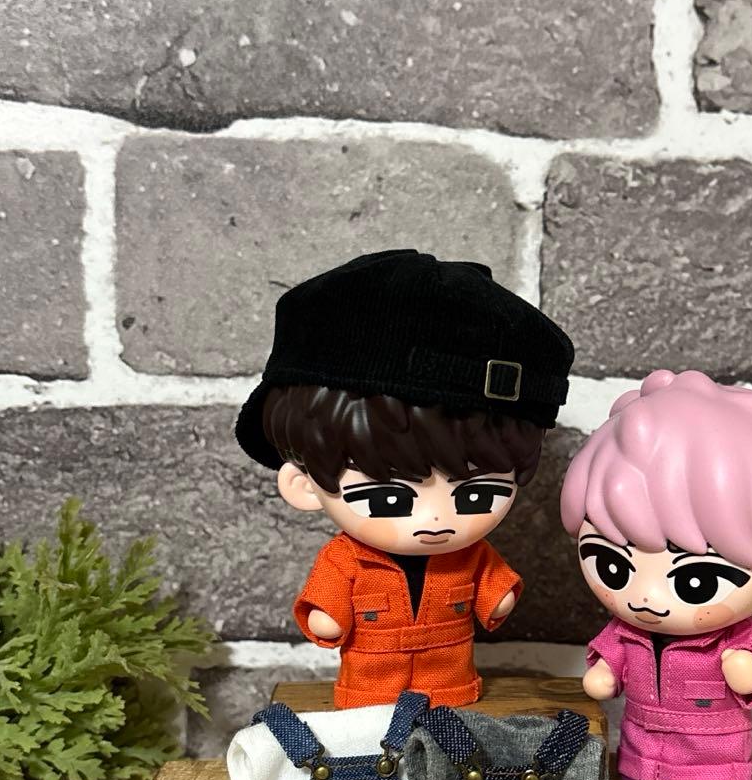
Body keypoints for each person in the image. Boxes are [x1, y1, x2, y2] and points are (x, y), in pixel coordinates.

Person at [236, 249, 574, 708]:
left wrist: (498, 597)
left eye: (477, 496)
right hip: (372, 683)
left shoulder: (470, 557)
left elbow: (494, 584)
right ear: (304, 486)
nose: (435, 520)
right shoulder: (346, 561)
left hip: (449, 677)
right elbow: (327, 602)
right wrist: (327, 616)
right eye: (387, 499)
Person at [559, 369, 752, 780]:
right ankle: (644, 769)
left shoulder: (734, 638)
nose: (648, 597)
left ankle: (714, 778)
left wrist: (744, 669)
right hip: (642, 730)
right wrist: (605, 672)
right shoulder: (627, 631)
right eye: (613, 566)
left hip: (713, 737)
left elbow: (751, 676)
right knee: (639, 767)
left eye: (697, 580)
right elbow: (610, 659)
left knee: (713, 768)